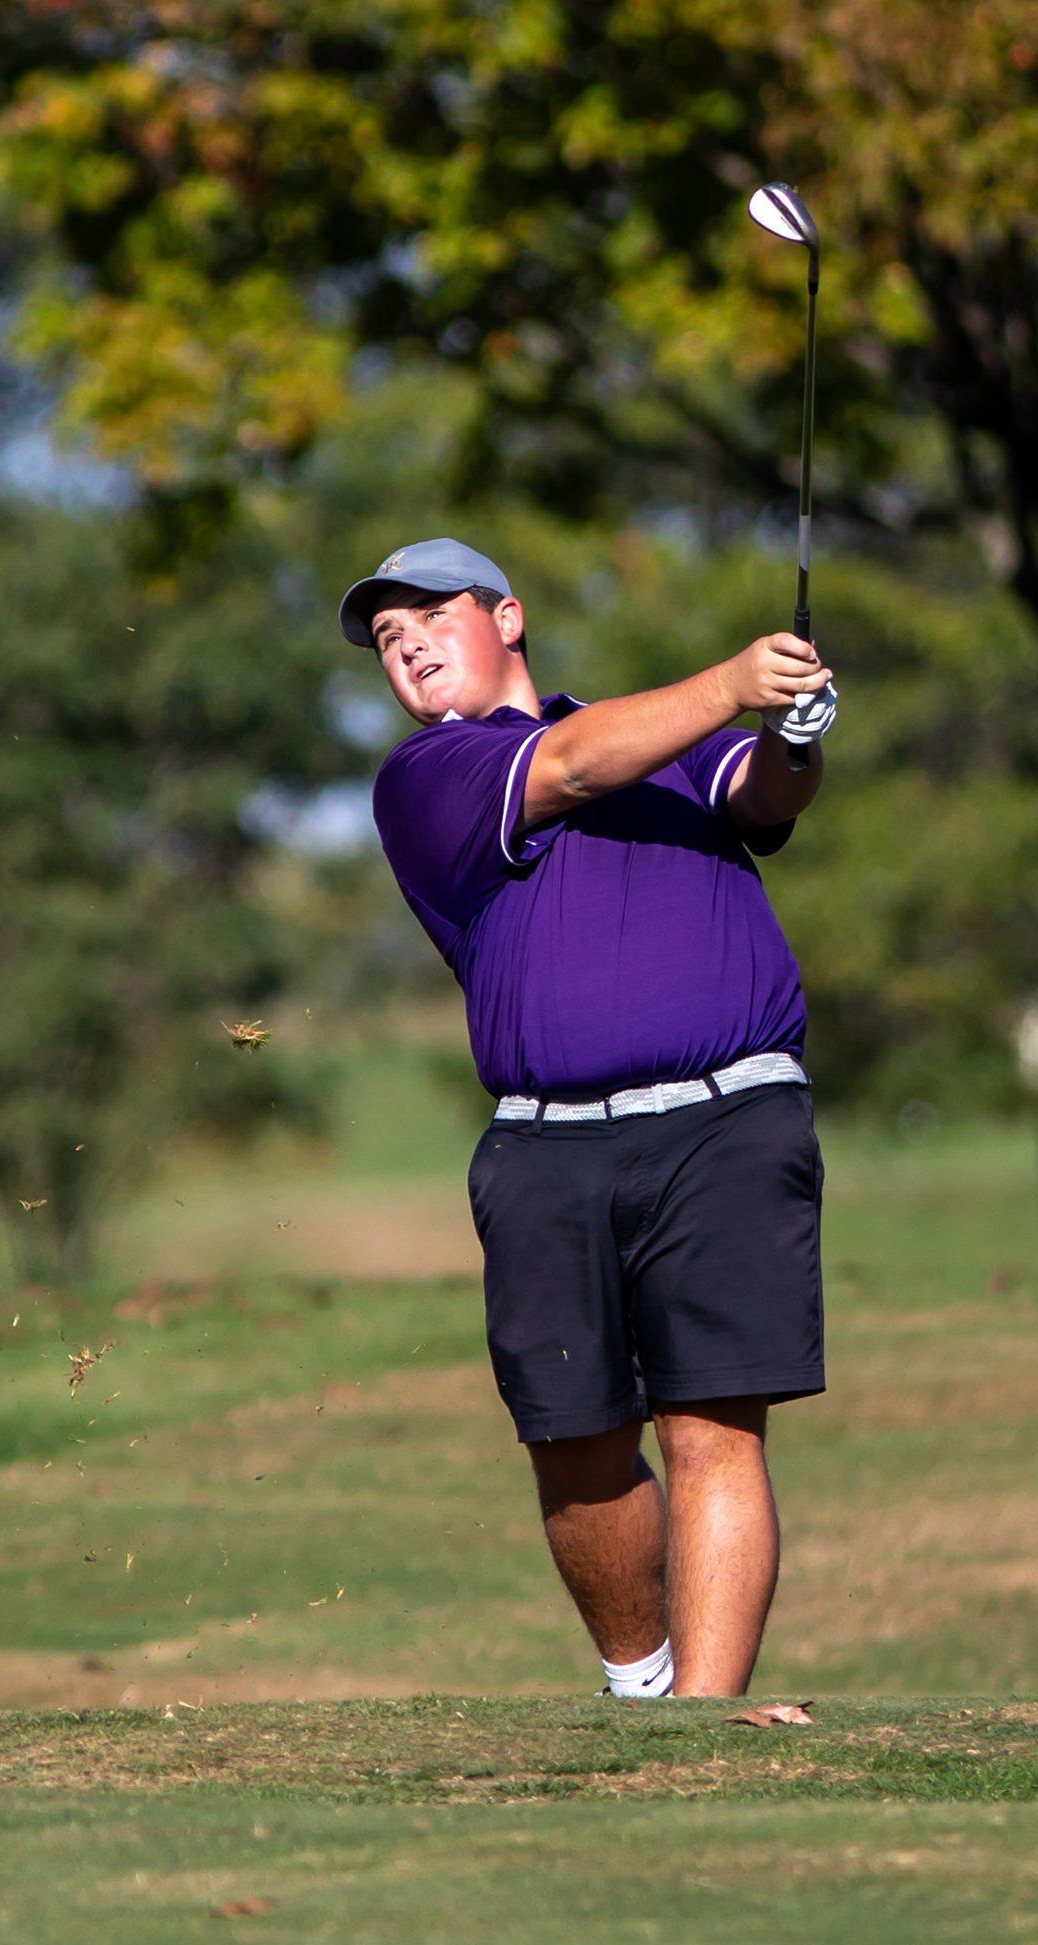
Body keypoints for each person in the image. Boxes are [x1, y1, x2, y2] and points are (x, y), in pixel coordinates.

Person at [345, 537, 834, 1700]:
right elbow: (564, 767)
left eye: (425, 613)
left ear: (506, 616)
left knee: (713, 1430)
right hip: (545, 1145)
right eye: (383, 636)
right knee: (575, 1445)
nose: (403, 640)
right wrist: (729, 683)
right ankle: (645, 1683)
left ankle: (699, 1738)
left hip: (729, 1118)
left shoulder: (660, 735)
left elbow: (761, 796)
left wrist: (794, 731)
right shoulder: (431, 776)